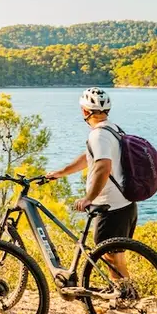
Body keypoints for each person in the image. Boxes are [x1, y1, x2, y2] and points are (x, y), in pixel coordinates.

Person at [46, 87, 136, 281]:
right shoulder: (112, 129)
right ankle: (127, 296)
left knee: (111, 257)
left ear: (85, 111)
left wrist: (89, 198)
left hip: (111, 207)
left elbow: (103, 166)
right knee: (116, 257)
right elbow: (90, 157)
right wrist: (61, 173)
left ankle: (121, 303)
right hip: (126, 204)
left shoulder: (99, 135)